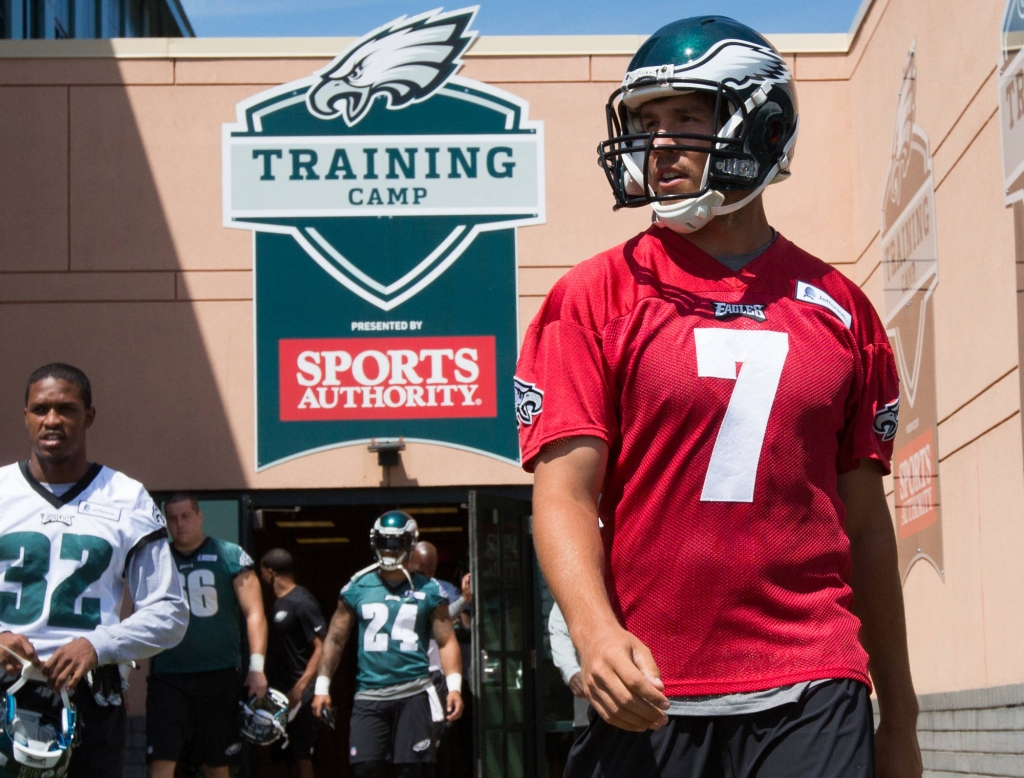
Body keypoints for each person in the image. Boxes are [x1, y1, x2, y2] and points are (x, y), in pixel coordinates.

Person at [515, 16, 922, 778]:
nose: (658, 142)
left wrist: (898, 717)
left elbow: (866, 527)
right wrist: (594, 632)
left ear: (760, 123)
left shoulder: (841, 310)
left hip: (813, 681)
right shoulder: (594, 295)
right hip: (651, 685)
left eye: (686, 116)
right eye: (645, 121)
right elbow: (564, 494)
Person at [0, 362, 189, 777]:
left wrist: (99, 644)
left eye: (65, 409)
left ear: (88, 416)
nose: (52, 420)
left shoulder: (127, 497)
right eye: (40, 409)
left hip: (89, 702)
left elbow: (170, 613)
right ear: (25, 416)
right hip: (4, 692)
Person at [311, 511, 464, 778]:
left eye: (395, 543)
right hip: (369, 694)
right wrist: (322, 686)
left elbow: (446, 640)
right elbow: (335, 639)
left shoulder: (429, 590)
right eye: (384, 542)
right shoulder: (357, 587)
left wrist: (454, 687)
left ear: (410, 545)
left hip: (413, 693)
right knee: (366, 769)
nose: (389, 550)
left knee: (413, 771)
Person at [146, 492, 269, 778]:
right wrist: (123, 675)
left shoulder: (229, 554)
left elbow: (255, 614)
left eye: (186, 516)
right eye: (172, 518)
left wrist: (257, 668)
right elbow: (136, 618)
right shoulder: (157, 560)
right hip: (169, 676)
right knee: (161, 760)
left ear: (200, 516)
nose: (179, 524)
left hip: (219, 675)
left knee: (216, 763)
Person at [261, 548, 326, 778]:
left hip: (302, 697)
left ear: (270, 573)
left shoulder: (303, 602)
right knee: (285, 759)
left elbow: (322, 647)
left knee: (302, 758)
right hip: (279, 696)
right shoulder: (277, 603)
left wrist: (301, 687)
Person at [408, 541, 461, 776]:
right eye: (418, 572)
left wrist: (453, 687)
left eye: (427, 573)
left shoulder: (437, 592)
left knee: (431, 744)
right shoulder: (396, 589)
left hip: (432, 677)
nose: (423, 578)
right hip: (402, 676)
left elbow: (445, 627)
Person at [547, 603, 588, 736]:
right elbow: (559, 632)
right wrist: (571, 671)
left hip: (644, 708)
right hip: (590, 714)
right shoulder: (578, 588)